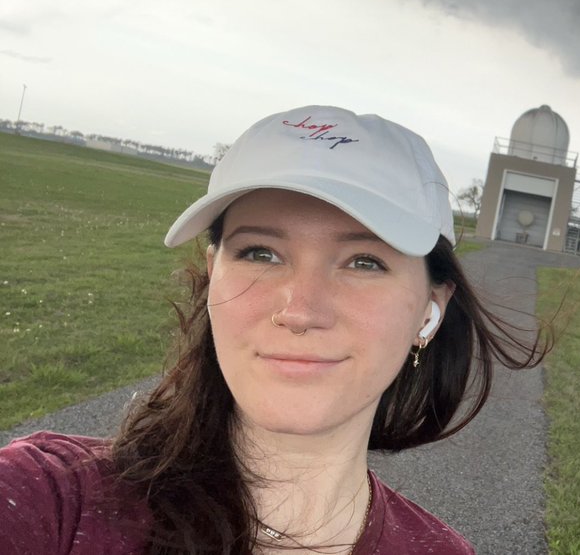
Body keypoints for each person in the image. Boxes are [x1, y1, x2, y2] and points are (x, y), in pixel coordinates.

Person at [0, 105, 545, 553]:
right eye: (261, 252)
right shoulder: (49, 500)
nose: (300, 310)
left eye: (363, 262)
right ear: (212, 278)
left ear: (429, 311)